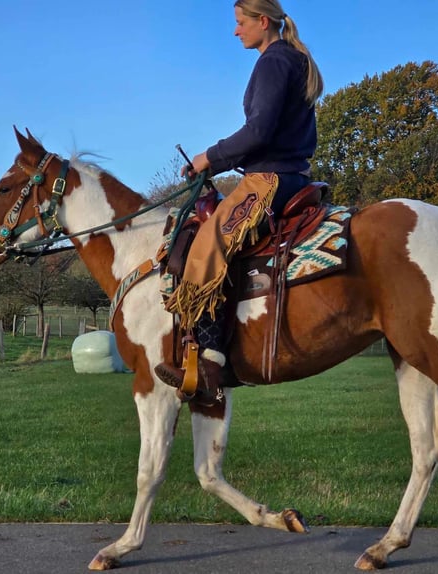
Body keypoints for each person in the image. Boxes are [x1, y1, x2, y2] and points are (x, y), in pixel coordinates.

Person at [155, 0, 323, 406]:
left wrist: (209, 157)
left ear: (262, 22)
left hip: (268, 180)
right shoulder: (294, 60)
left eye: (239, 23)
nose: (236, 31)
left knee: (204, 246)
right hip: (290, 175)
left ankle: (210, 363)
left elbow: (259, 131)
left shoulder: (273, 61)